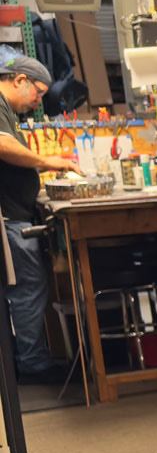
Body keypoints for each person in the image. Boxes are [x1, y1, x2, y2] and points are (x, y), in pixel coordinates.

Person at [0, 56, 77, 384]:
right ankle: (32, 365)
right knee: (28, 289)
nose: (38, 101)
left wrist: (45, 164)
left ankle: (28, 358)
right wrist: (47, 160)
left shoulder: (9, 110)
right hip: (10, 219)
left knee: (27, 289)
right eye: (39, 92)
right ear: (19, 80)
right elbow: (1, 145)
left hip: (16, 213)